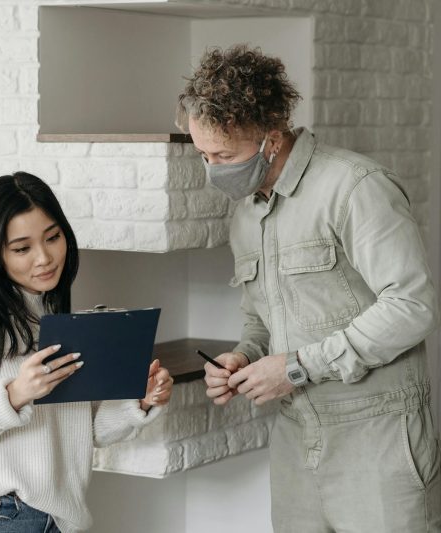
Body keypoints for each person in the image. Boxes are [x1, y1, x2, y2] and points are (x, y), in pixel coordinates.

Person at [178, 45, 441, 532]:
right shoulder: (246, 214)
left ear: (272, 139)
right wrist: (243, 356)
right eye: (203, 155)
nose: (212, 169)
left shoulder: (356, 187)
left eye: (223, 155)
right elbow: (262, 318)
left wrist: (298, 367)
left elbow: (412, 306)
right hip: (295, 437)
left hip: (378, 438)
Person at [0, 172, 173, 533]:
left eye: (53, 238)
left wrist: (140, 401)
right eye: (22, 248)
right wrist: (16, 393)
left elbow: (81, 430)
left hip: (54, 517)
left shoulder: (50, 318)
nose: (44, 257)